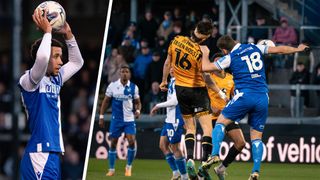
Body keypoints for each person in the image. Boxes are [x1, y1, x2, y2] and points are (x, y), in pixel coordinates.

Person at [200, 35, 308, 179]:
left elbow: (205, 67)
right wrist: (298, 49)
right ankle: (255, 171)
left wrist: (205, 53)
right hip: (262, 97)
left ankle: (214, 155)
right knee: (257, 138)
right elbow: (279, 50)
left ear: (224, 50)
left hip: (245, 95)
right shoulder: (254, 47)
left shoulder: (230, 57)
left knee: (220, 122)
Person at [19, 9, 84, 179]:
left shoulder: (56, 79)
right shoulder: (29, 81)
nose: (61, 61)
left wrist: (69, 35)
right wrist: (47, 31)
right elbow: (41, 59)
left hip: (52, 152)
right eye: (56, 56)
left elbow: (78, 62)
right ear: (46, 57)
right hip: (39, 152)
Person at [160, 21, 226, 179]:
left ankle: (189, 158)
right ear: (207, 36)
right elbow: (206, 76)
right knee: (207, 129)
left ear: (194, 29)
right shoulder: (203, 50)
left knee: (190, 128)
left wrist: (163, 80)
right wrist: (220, 92)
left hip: (181, 91)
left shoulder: (176, 40)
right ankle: (203, 165)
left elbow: (168, 62)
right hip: (197, 90)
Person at [197, 53, 246, 180]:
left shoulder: (231, 78)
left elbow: (234, 96)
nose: (218, 64)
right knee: (211, 152)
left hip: (227, 115)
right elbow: (200, 95)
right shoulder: (208, 78)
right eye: (216, 62)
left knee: (240, 143)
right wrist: (209, 107)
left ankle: (221, 168)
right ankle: (201, 174)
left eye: (220, 61)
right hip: (212, 117)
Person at [99, 65, 141, 177]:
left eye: (127, 72)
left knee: (131, 141)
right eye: (122, 71)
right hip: (116, 120)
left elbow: (138, 102)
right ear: (119, 73)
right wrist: (101, 116)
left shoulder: (134, 87)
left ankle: (128, 167)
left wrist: (138, 110)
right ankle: (111, 169)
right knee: (113, 143)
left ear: (129, 74)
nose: (124, 73)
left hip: (129, 120)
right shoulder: (112, 86)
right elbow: (106, 101)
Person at [150, 68, 188, 180]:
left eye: (174, 67)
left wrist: (158, 106)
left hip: (176, 118)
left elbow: (175, 101)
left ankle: (185, 176)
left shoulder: (178, 81)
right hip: (169, 119)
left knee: (175, 148)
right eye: (170, 67)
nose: (171, 69)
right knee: (162, 145)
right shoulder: (172, 81)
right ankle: (176, 172)